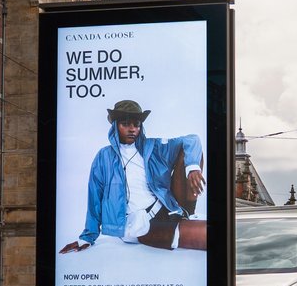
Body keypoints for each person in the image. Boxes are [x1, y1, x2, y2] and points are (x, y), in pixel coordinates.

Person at [59, 100, 206, 252]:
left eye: (136, 124)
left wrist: (193, 168)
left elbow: (192, 140)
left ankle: (187, 214)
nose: (132, 129)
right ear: (115, 125)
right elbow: (94, 197)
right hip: (142, 224)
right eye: (125, 124)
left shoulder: (153, 147)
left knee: (191, 153)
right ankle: (180, 224)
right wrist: (87, 237)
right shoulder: (104, 156)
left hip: (166, 208)